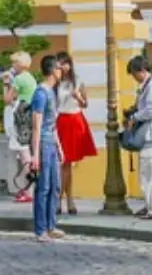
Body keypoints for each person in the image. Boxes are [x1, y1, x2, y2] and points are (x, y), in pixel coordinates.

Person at [54, 52, 97, 216]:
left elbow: (85, 103)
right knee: (62, 163)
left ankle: (67, 198)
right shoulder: (56, 83)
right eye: (60, 63)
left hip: (75, 119)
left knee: (68, 163)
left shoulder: (77, 81)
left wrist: (78, 97)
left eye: (66, 63)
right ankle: (62, 199)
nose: (63, 67)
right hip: (62, 120)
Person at [29, 55, 65, 242]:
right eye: (59, 68)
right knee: (43, 187)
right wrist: (35, 154)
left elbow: (53, 124)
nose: (62, 71)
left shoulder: (52, 92)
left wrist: (59, 146)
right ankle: (40, 229)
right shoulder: (41, 93)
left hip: (51, 141)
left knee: (55, 186)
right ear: (52, 70)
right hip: (42, 143)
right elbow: (37, 125)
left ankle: (51, 225)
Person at [125, 56, 152, 220]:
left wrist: (135, 117)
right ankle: (149, 204)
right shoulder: (147, 86)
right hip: (148, 136)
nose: (134, 78)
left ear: (141, 70)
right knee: (146, 173)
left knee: (150, 173)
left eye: (134, 74)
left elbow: (151, 110)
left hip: (150, 135)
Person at [3, 77, 34, 204]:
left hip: (20, 135)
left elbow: (7, 99)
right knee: (24, 161)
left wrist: (6, 86)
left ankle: (29, 191)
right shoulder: (21, 103)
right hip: (19, 134)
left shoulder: (20, 105)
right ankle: (27, 189)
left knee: (26, 162)